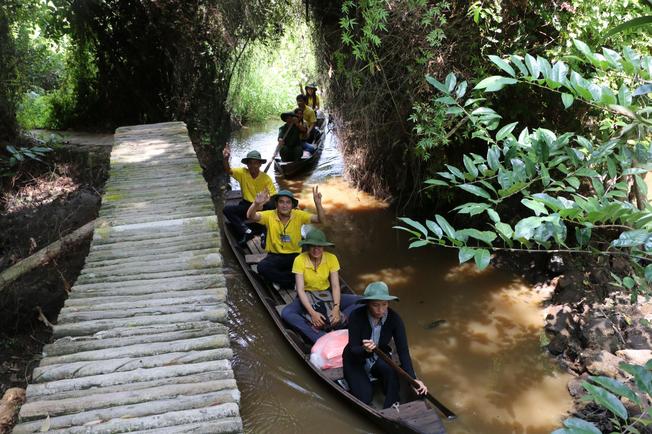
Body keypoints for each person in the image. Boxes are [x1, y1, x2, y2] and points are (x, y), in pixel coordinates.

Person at [343, 281, 428, 409]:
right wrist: (366, 350)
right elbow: (354, 348)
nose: (381, 310)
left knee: (392, 380)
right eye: (375, 305)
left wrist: (413, 380)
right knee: (365, 397)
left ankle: (391, 409)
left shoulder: (395, 319)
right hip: (356, 358)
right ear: (367, 304)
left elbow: (403, 351)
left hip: (379, 356)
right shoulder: (356, 316)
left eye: (384, 304)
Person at [281, 229, 360, 343]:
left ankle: (338, 323)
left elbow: (335, 286)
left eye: (319, 246)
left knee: (363, 301)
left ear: (324, 247)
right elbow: (300, 290)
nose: (316, 249)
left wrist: (336, 308)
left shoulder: (331, 258)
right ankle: (320, 337)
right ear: (307, 246)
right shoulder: (300, 260)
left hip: (327, 295)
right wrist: (312, 313)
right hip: (306, 296)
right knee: (287, 313)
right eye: (312, 246)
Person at [246, 187, 324, 288]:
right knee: (262, 267)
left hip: (294, 255)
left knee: (311, 266)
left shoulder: (299, 215)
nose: (284, 205)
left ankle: (279, 280)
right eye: (281, 202)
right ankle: (290, 282)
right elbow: (250, 216)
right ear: (276, 204)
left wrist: (318, 204)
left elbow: (320, 219)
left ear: (292, 205)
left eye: (288, 202)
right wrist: (256, 204)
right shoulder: (269, 215)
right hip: (275, 255)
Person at [222, 147, 276, 244]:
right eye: (250, 163)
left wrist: (261, 203)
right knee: (227, 210)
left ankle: (265, 231)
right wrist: (225, 159)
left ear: (260, 164)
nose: (253, 165)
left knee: (272, 206)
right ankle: (247, 231)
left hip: (261, 206)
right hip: (247, 205)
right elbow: (228, 170)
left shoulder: (266, 178)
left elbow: (273, 196)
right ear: (247, 164)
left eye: (256, 163)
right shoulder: (243, 173)